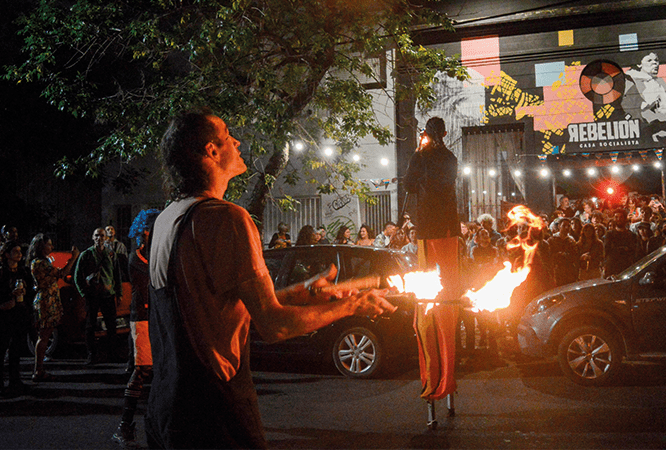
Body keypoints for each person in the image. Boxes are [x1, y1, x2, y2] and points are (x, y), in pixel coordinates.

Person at [145, 110, 394, 448]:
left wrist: (301, 293)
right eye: (228, 134)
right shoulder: (227, 219)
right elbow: (274, 325)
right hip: (214, 413)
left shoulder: (167, 219)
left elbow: (216, 306)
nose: (236, 141)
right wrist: (353, 305)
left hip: (166, 407)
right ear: (211, 151)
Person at [404, 116, 461, 402]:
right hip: (446, 232)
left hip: (430, 232)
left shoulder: (422, 157)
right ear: (446, 133)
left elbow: (409, 186)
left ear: (426, 133)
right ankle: (443, 378)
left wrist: (419, 154)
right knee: (443, 302)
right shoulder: (449, 156)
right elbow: (445, 183)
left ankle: (435, 378)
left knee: (432, 304)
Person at [113, 209, 160, 446]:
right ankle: (125, 425)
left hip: (157, 317)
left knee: (162, 371)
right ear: (144, 231)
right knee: (143, 370)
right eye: (154, 228)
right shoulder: (137, 257)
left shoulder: (154, 253)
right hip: (142, 318)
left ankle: (158, 424)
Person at [27, 234, 79, 380]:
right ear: (41, 246)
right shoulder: (40, 263)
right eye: (49, 244)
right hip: (46, 300)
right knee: (44, 335)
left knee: (45, 334)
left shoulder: (42, 262)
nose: (52, 247)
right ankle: (38, 370)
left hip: (48, 299)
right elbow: (62, 273)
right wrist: (73, 257)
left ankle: (39, 369)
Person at [74, 228, 123, 364]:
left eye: (102, 235)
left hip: (107, 295)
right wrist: (83, 292)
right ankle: (92, 355)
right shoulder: (86, 255)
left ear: (105, 238)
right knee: (90, 326)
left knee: (111, 326)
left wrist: (119, 293)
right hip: (92, 295)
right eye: (96, 235)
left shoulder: (111, 254)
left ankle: (112, 354)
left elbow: (117, 275)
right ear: (92, 237)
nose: (99, 238)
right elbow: (77, 276)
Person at [0, 241, 34, 396]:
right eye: (15, 251)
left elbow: (30, 290)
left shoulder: (23, 271)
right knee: (2, 348)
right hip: (5, 314)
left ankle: (15, 380)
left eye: (20, 251)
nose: (19, 254)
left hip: (19, 313)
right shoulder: (2, 273)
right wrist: (9, 297)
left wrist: (24, 291)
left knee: (16, 349)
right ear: (7, 254)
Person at [603, 209, 638, 278]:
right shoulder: (609, 235)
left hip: (626, 269)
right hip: (612, 269)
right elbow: (607, 251)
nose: (618, 219)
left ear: (625, 219)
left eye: (621, 217)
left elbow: (634, 252)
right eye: (616, 217)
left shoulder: (631, 235)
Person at [548, 218, 580, 286]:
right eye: (564, 225)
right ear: (559, 226)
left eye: (568, 226)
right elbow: (549, 255)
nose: (566, 228)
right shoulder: (552, 240)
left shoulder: (571, 241)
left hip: (569, 271)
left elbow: (575, 255)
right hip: (557, 271)